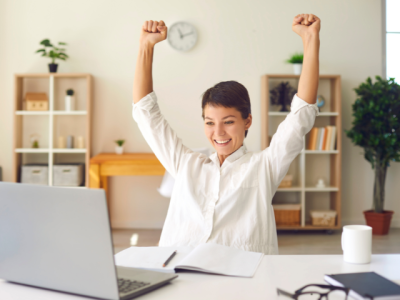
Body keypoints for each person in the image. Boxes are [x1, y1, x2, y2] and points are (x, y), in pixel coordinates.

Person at [132, 14, 320, 255]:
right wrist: (146, 46)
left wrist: (310, 38)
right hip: (180, 275)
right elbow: (145, 114)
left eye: (228, 122)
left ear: (247, 121)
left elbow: (301, 115)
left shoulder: (264, 166)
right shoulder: (186, 164)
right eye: (209, 122)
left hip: (243, 280)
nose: (218, 132)